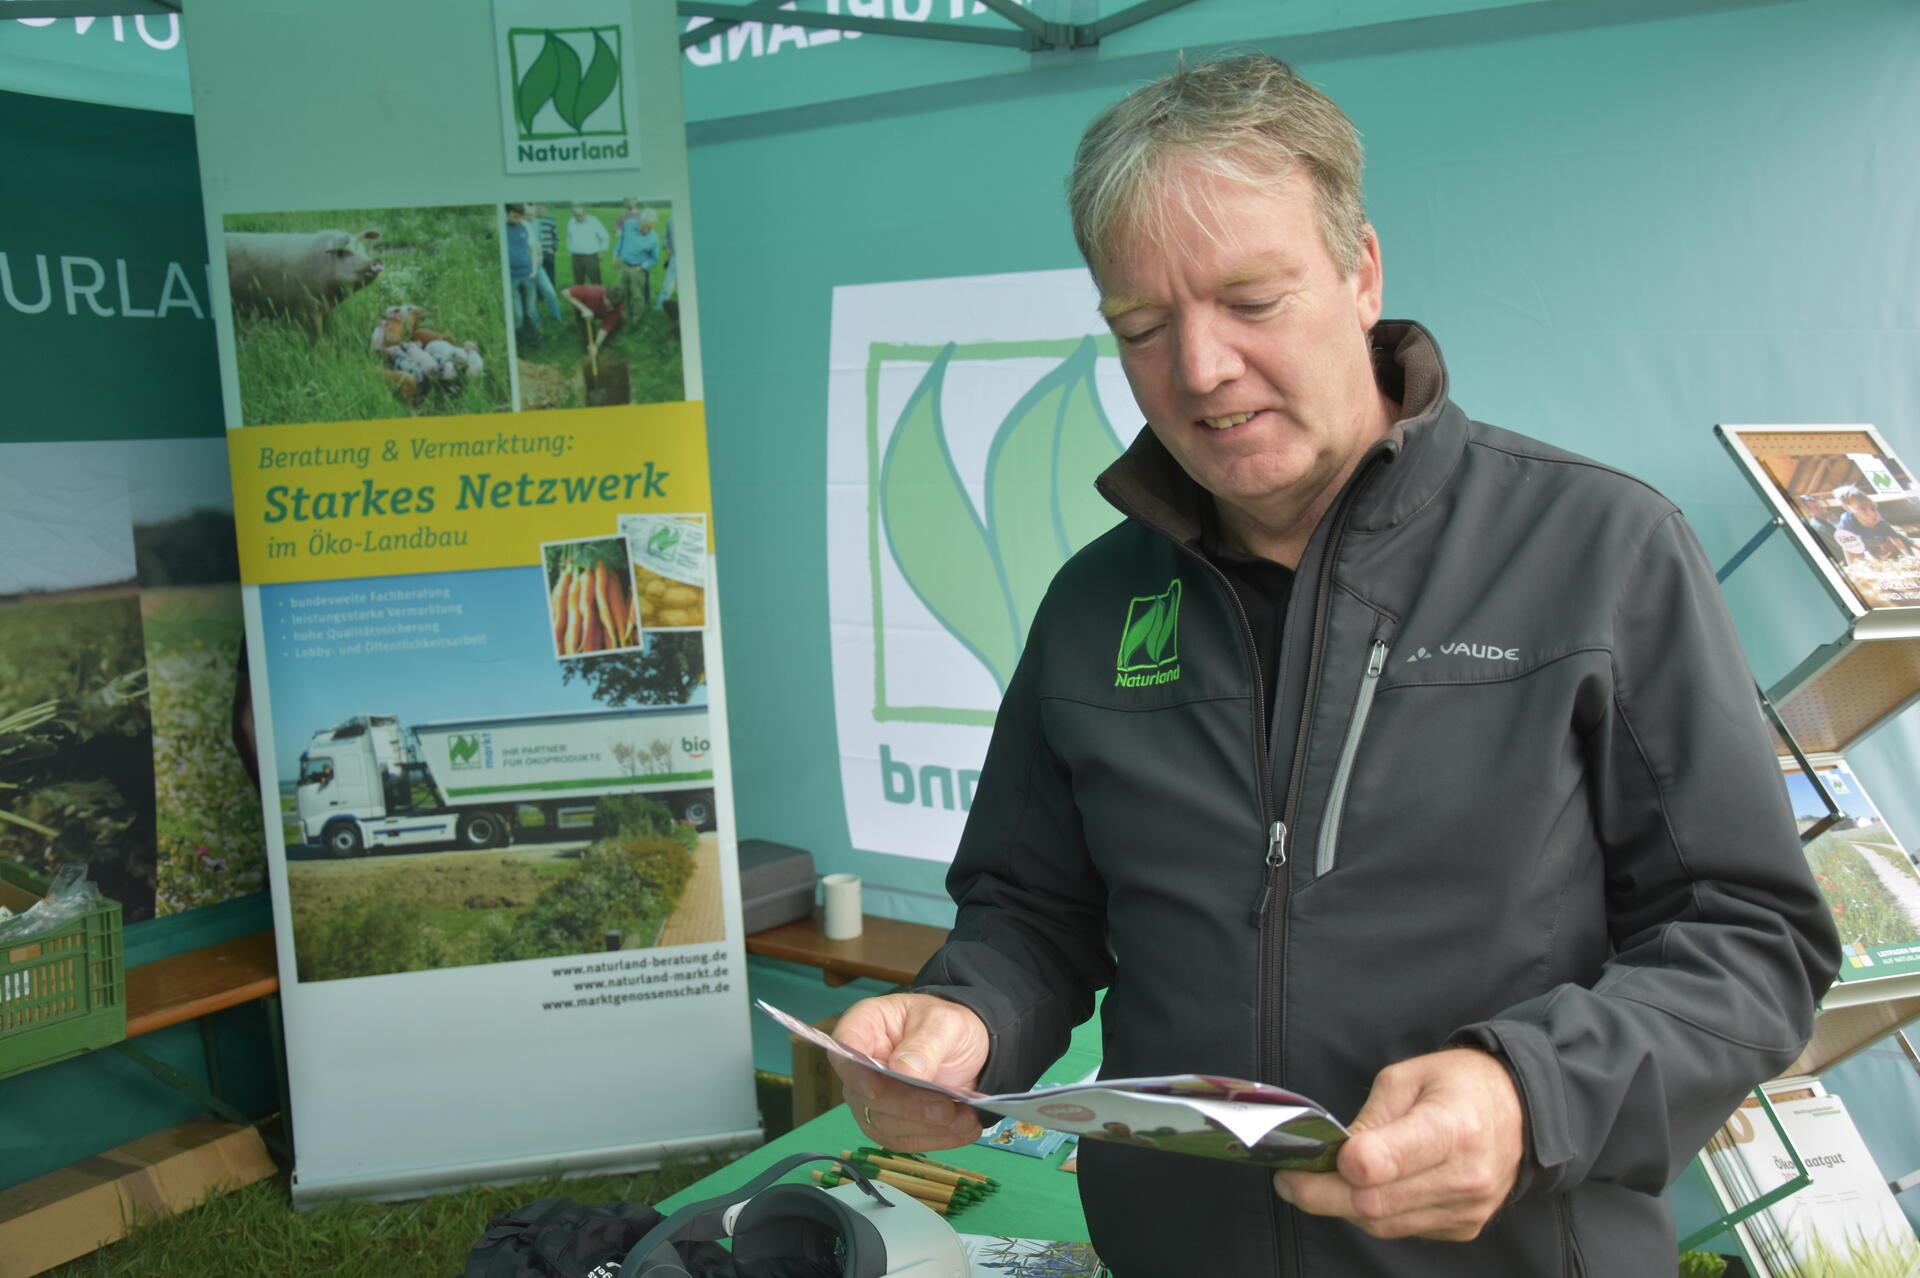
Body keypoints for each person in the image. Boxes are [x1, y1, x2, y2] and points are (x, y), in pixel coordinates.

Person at [831, 54, 1840, 1277]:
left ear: (1362, 272)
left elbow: (1751, 937)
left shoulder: (1600, 552)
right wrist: (965, 1020)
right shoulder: (1095, 602)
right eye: (1142, 329)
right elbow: (1037, 910)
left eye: (1251, 301)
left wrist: (1528, 1093)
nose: (1198, 370)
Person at [1831, 484, 1918, 562]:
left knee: (1908, 543)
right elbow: (1849, 551)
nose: (1872, 515)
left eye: (1873, 508)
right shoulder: (1846, 525)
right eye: (1862, 509)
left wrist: (1908, 557)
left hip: (1879, 541)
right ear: (1847, 508)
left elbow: (1896, 539)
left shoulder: (1879, 522)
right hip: (1868, 546)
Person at [504, 204, 541, 346]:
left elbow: (532, 248)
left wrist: (534, 270)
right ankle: (520, 340)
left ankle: (534, 338)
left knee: (529, 311)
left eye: (520, 217)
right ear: (507, 213)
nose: (518, 220)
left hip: (528, 275)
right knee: (518, 314)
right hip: (512, 277)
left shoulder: (525, 225)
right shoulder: (502, 228)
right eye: (515, 216)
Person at [613, 207, 660, 312]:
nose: (646, 230)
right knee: (622, 292)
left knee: (637, 295)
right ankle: (623, 315)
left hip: (638, 269)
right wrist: (616, 255)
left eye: (650, 228)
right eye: (644, 226)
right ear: (640, 220)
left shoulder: (654, 238)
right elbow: (621, 240)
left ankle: (637, 319)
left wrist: (643, 266)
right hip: (623, 264)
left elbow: (654, 258)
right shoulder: (629, 224)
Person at [529, 203, 563, 322]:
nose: (538, 211)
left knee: (550, 283)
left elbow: (556, 236)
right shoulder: (529, 223)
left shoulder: (548, 220)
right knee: (531, 296)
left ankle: (557, 316)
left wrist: (553, 249)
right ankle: (537, 321)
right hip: (531, 262)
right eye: (536, 209)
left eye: (540, 208)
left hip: (546, 255)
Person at [568, 203, 609, 286]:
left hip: (591, 256)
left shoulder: (594, 221)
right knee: (578, 281)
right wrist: (571, 250)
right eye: (575, 215)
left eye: (580, 215)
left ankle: (597, 298)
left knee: (595, 280)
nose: (578, 217)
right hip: (576, 256)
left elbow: (605, 237)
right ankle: (579, 298)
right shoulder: (571, 222)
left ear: (585, 212)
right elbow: (569, 238)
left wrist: (601, 252)